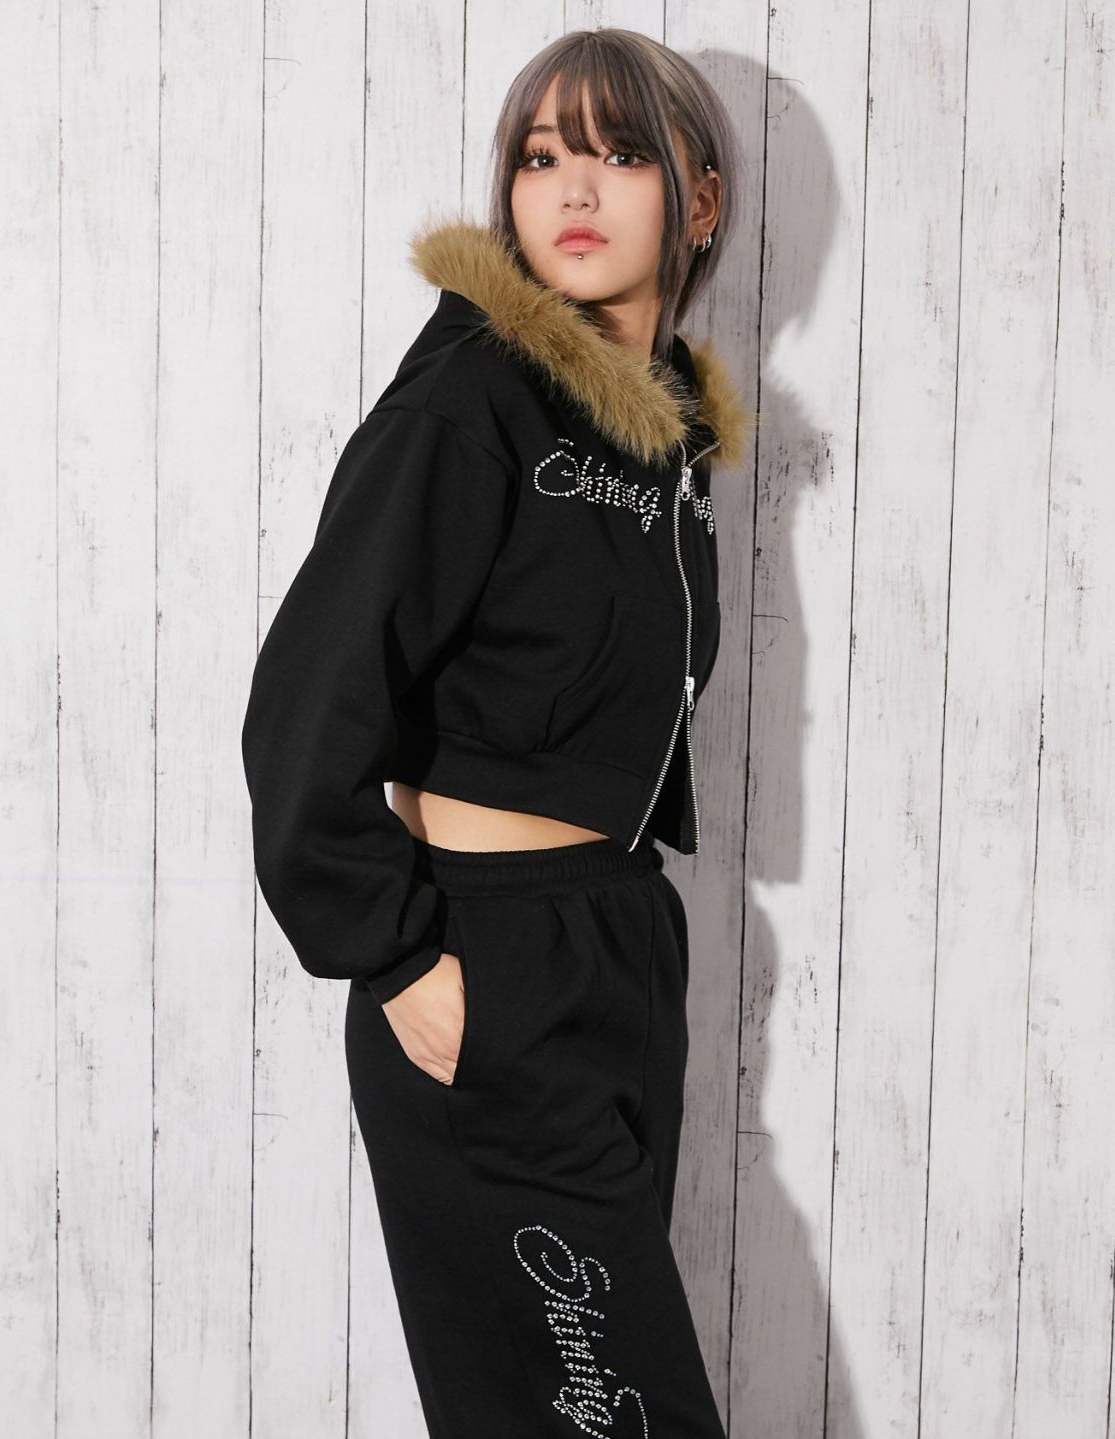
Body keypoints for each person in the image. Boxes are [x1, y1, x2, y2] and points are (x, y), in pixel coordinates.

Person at [241, 26, 753, 1439]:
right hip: (486, 953)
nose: (573, 190)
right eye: (541, 157)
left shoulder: (663, 448)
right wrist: (400, 957)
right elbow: (305, 703)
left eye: (622, 153)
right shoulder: (471, 400)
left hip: (619, 947)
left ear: (700, 202)